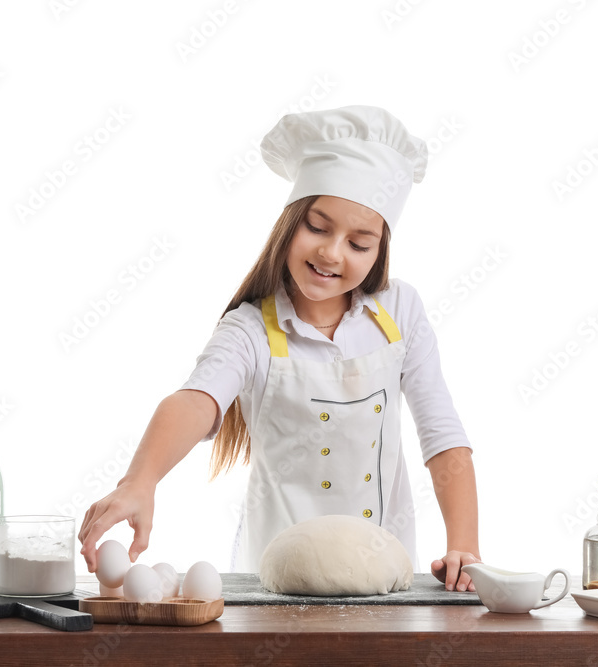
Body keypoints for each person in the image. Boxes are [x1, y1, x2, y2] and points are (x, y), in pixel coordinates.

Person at [79, 105, 480, 591]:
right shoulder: (250, 329)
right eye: (317, 226)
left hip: (385, 581)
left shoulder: (400, 311)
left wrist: (466, 545)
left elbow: (442, 434)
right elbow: (197, 401)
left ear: (379, 251)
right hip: (277, 587)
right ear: (290, 223)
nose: (332, 253)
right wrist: (139, 481)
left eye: (359, 243)